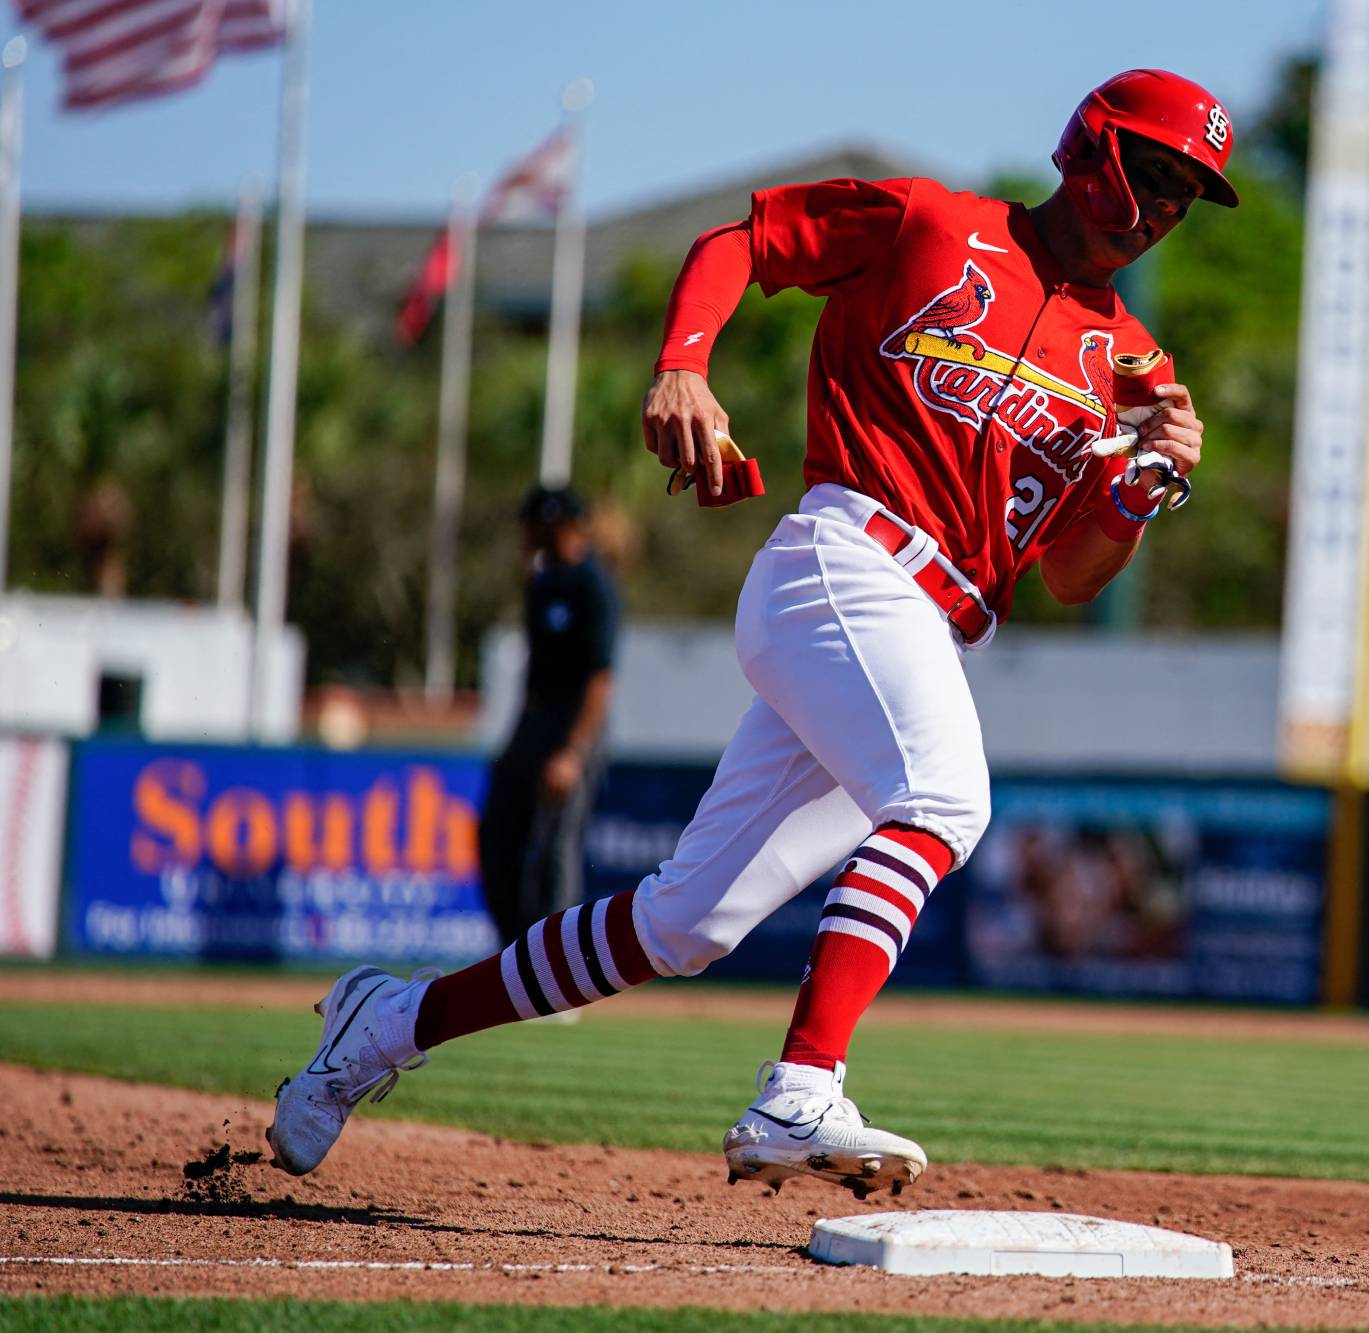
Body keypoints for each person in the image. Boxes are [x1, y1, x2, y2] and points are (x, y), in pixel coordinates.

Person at [267, 68, 1233, 1200]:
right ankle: (799, 1090)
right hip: (847, 559)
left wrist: (1141, 482)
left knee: (685, 919)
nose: (1165, 204)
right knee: (944, 800)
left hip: (931, 621)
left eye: (1187, 193)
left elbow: (1070, 574)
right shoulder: (935, 224)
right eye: (1158, 172)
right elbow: (743, 242)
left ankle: (386, 1023)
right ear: (1094, 147)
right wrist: (683, 362)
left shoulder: (1130, 365)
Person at [477, 484, 619, 948]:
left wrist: (573, 752)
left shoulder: (593, 585)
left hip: (574, 727)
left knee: (557, 846)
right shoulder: (542, 583)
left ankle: (557, 968)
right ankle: (511, 955)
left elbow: (599, 679)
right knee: (499, 835)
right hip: (533, 722)